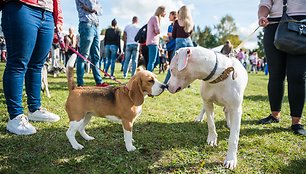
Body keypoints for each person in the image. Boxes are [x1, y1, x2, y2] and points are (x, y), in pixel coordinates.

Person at [1, 0, 62, 135]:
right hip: (21, 6)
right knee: (18, 63)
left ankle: (34, 109)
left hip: (47, 12)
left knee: (37, 65)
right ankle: (15, 116)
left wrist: (58, 18)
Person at [257, 0, 306, 136]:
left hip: (300, 24)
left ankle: (296, 122)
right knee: (275, 74)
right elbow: (265, 4)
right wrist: (262, 16)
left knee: (297, 75)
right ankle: (274, 115)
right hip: (273, 25)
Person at [75, 0, 108, 87]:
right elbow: (91, 6)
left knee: (96, 56)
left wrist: (94, 8)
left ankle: (99, 81)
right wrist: (95, 7)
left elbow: (101, 11)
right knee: (83, 56)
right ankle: (80, 83)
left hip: (96, 26)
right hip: (86, 24)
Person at [164, 5, 194, 83]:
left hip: (179, 42)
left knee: (173, 63)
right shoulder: (190, 22)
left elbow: (173, 35)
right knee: (188, 64)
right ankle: (187, 82)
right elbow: (190, 33)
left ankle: (166, 82)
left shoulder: (177, 22)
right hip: (189, 42)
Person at [146, 6, 166, 72]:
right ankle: (148, 75)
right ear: (161, 11)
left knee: (156, 61)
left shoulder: (153, 18)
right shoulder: (155, 18)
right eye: (164, 11)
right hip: (153, 42)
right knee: (152, 61)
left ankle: (148, 73)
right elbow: (157, 31)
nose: (165, 13)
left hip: (151, 42)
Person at [163, 11, 177, 83]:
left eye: (170, 15)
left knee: (173, 65)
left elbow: (176, 35)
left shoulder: (177, 24)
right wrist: (166, 39)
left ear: (174, 15)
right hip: (169, 47)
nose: (168, 17)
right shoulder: (170, 26)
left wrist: (171, 34)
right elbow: (169, 37)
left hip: (176, 46)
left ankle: (169, 81)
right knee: (171, 64)